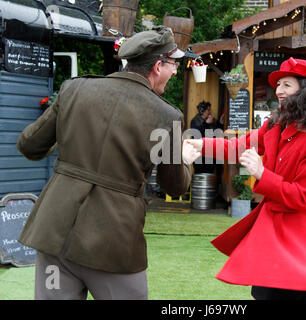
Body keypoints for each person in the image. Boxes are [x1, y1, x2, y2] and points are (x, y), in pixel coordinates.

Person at [16, 26, 200, 300]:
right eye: (173, 64)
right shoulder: (166, 115)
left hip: (55, 230)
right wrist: (185, 160)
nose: (175, 71)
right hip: (114, 241)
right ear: (158, 66)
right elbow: (173, 185)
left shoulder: (74, 89)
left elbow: (29, 145)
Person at [186, 57, 306, 300]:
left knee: (284, 293)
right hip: (273, 229)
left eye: (287, 85)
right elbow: (239, 146)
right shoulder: (274, 126)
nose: (278, 91)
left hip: (296, 235)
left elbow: (303, 197)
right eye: (278, 85)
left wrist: (261, 174)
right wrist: (201, 144)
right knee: (262, 292)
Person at [190, 101, 224, 173]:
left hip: (210, 152)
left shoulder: (211, 120)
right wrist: (206, 124)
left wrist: (220, 123)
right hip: (199, 154)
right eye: (208, 110)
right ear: (203, 111)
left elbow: (217, 132)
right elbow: (197, 134)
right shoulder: (195, 121)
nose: (209, 112)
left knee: (210, 172)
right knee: (199, 172)